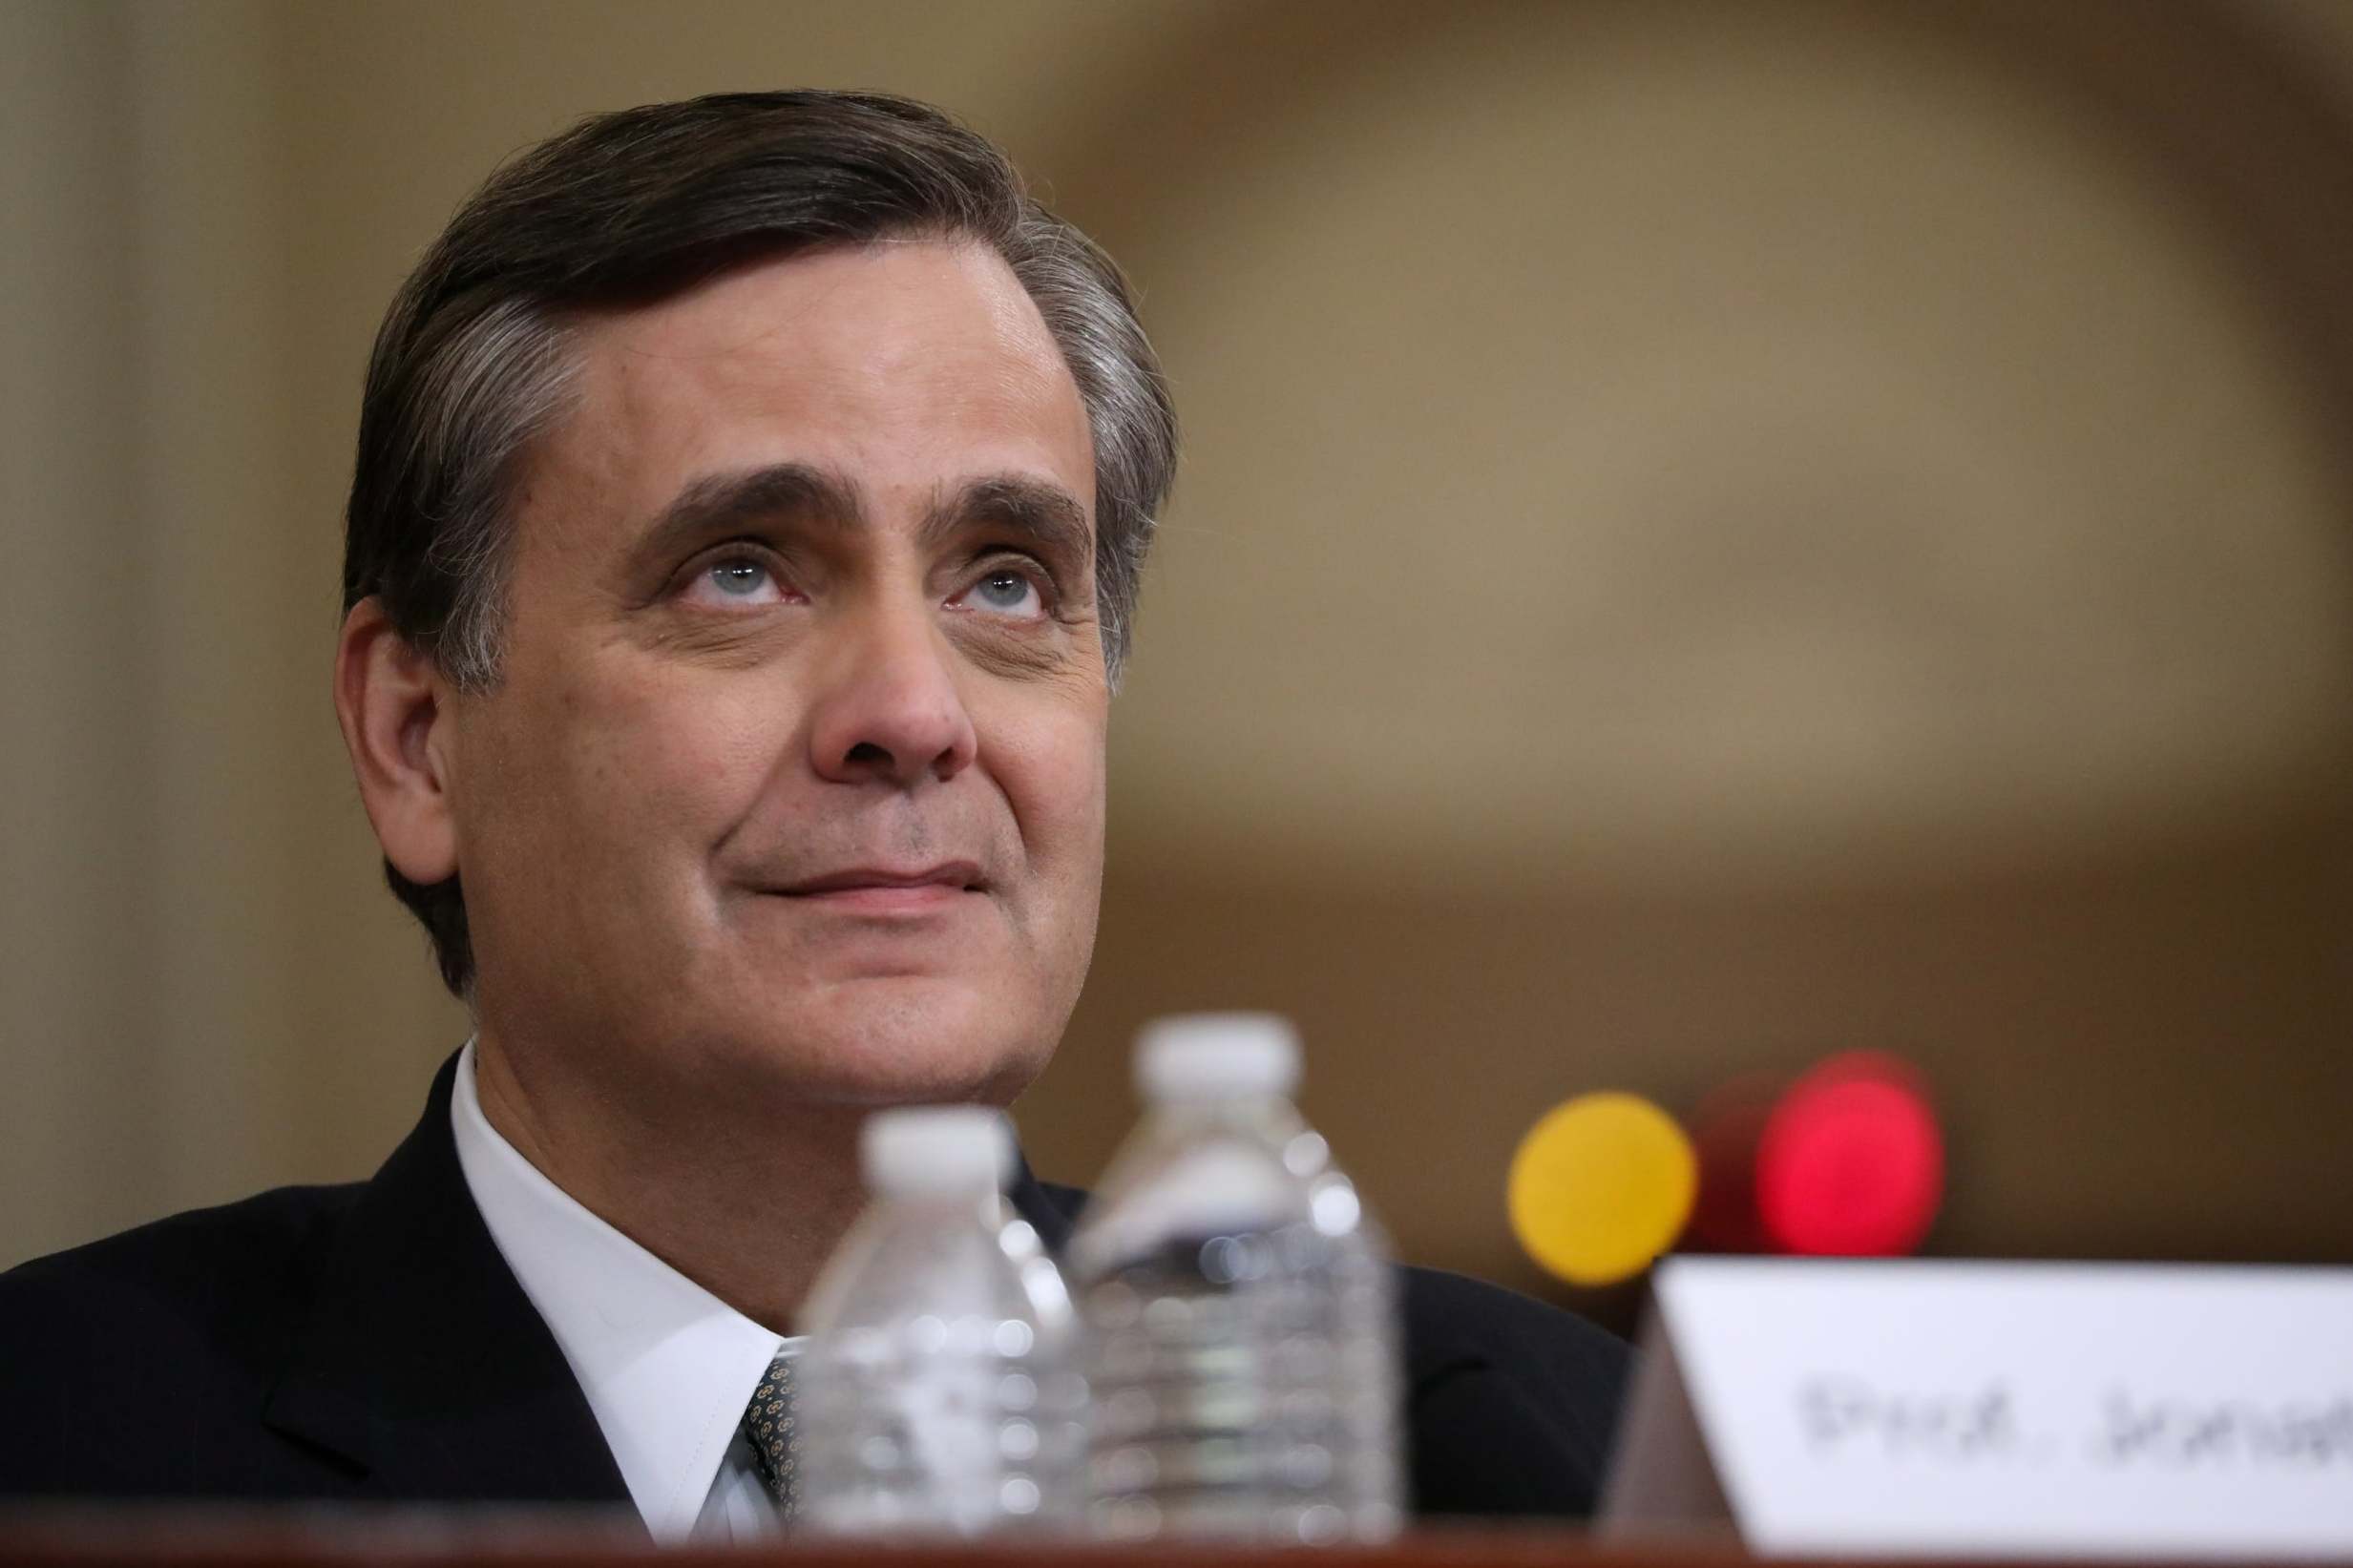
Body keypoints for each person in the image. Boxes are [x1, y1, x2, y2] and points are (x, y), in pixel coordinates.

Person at [0, 90, 1627, 1536]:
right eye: (742, 572)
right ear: (418, 741)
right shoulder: (65, 1450)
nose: (912, 718)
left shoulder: (1525, 1465)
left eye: (1005, 582)